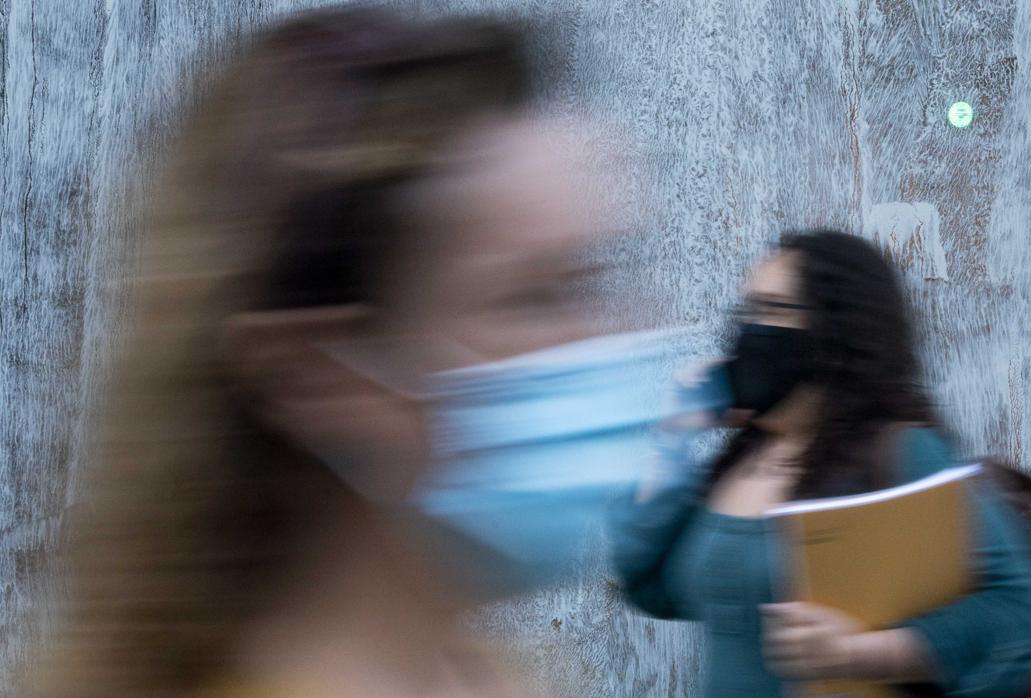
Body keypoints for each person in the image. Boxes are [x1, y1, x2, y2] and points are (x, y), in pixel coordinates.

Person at [27, 7, 633, 697]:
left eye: (596, 278)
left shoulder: (478, 672)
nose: (609, 338)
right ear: (316, 371)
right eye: (534, 296)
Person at [611, 230, 1031, 697]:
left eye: (773, 309)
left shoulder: (902, 452)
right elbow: (650, 588)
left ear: (837, 327)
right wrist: (671, 439)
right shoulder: (744, 456)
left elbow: (1022, 615)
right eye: (747, 310)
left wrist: (858, 654)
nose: (749, 330)